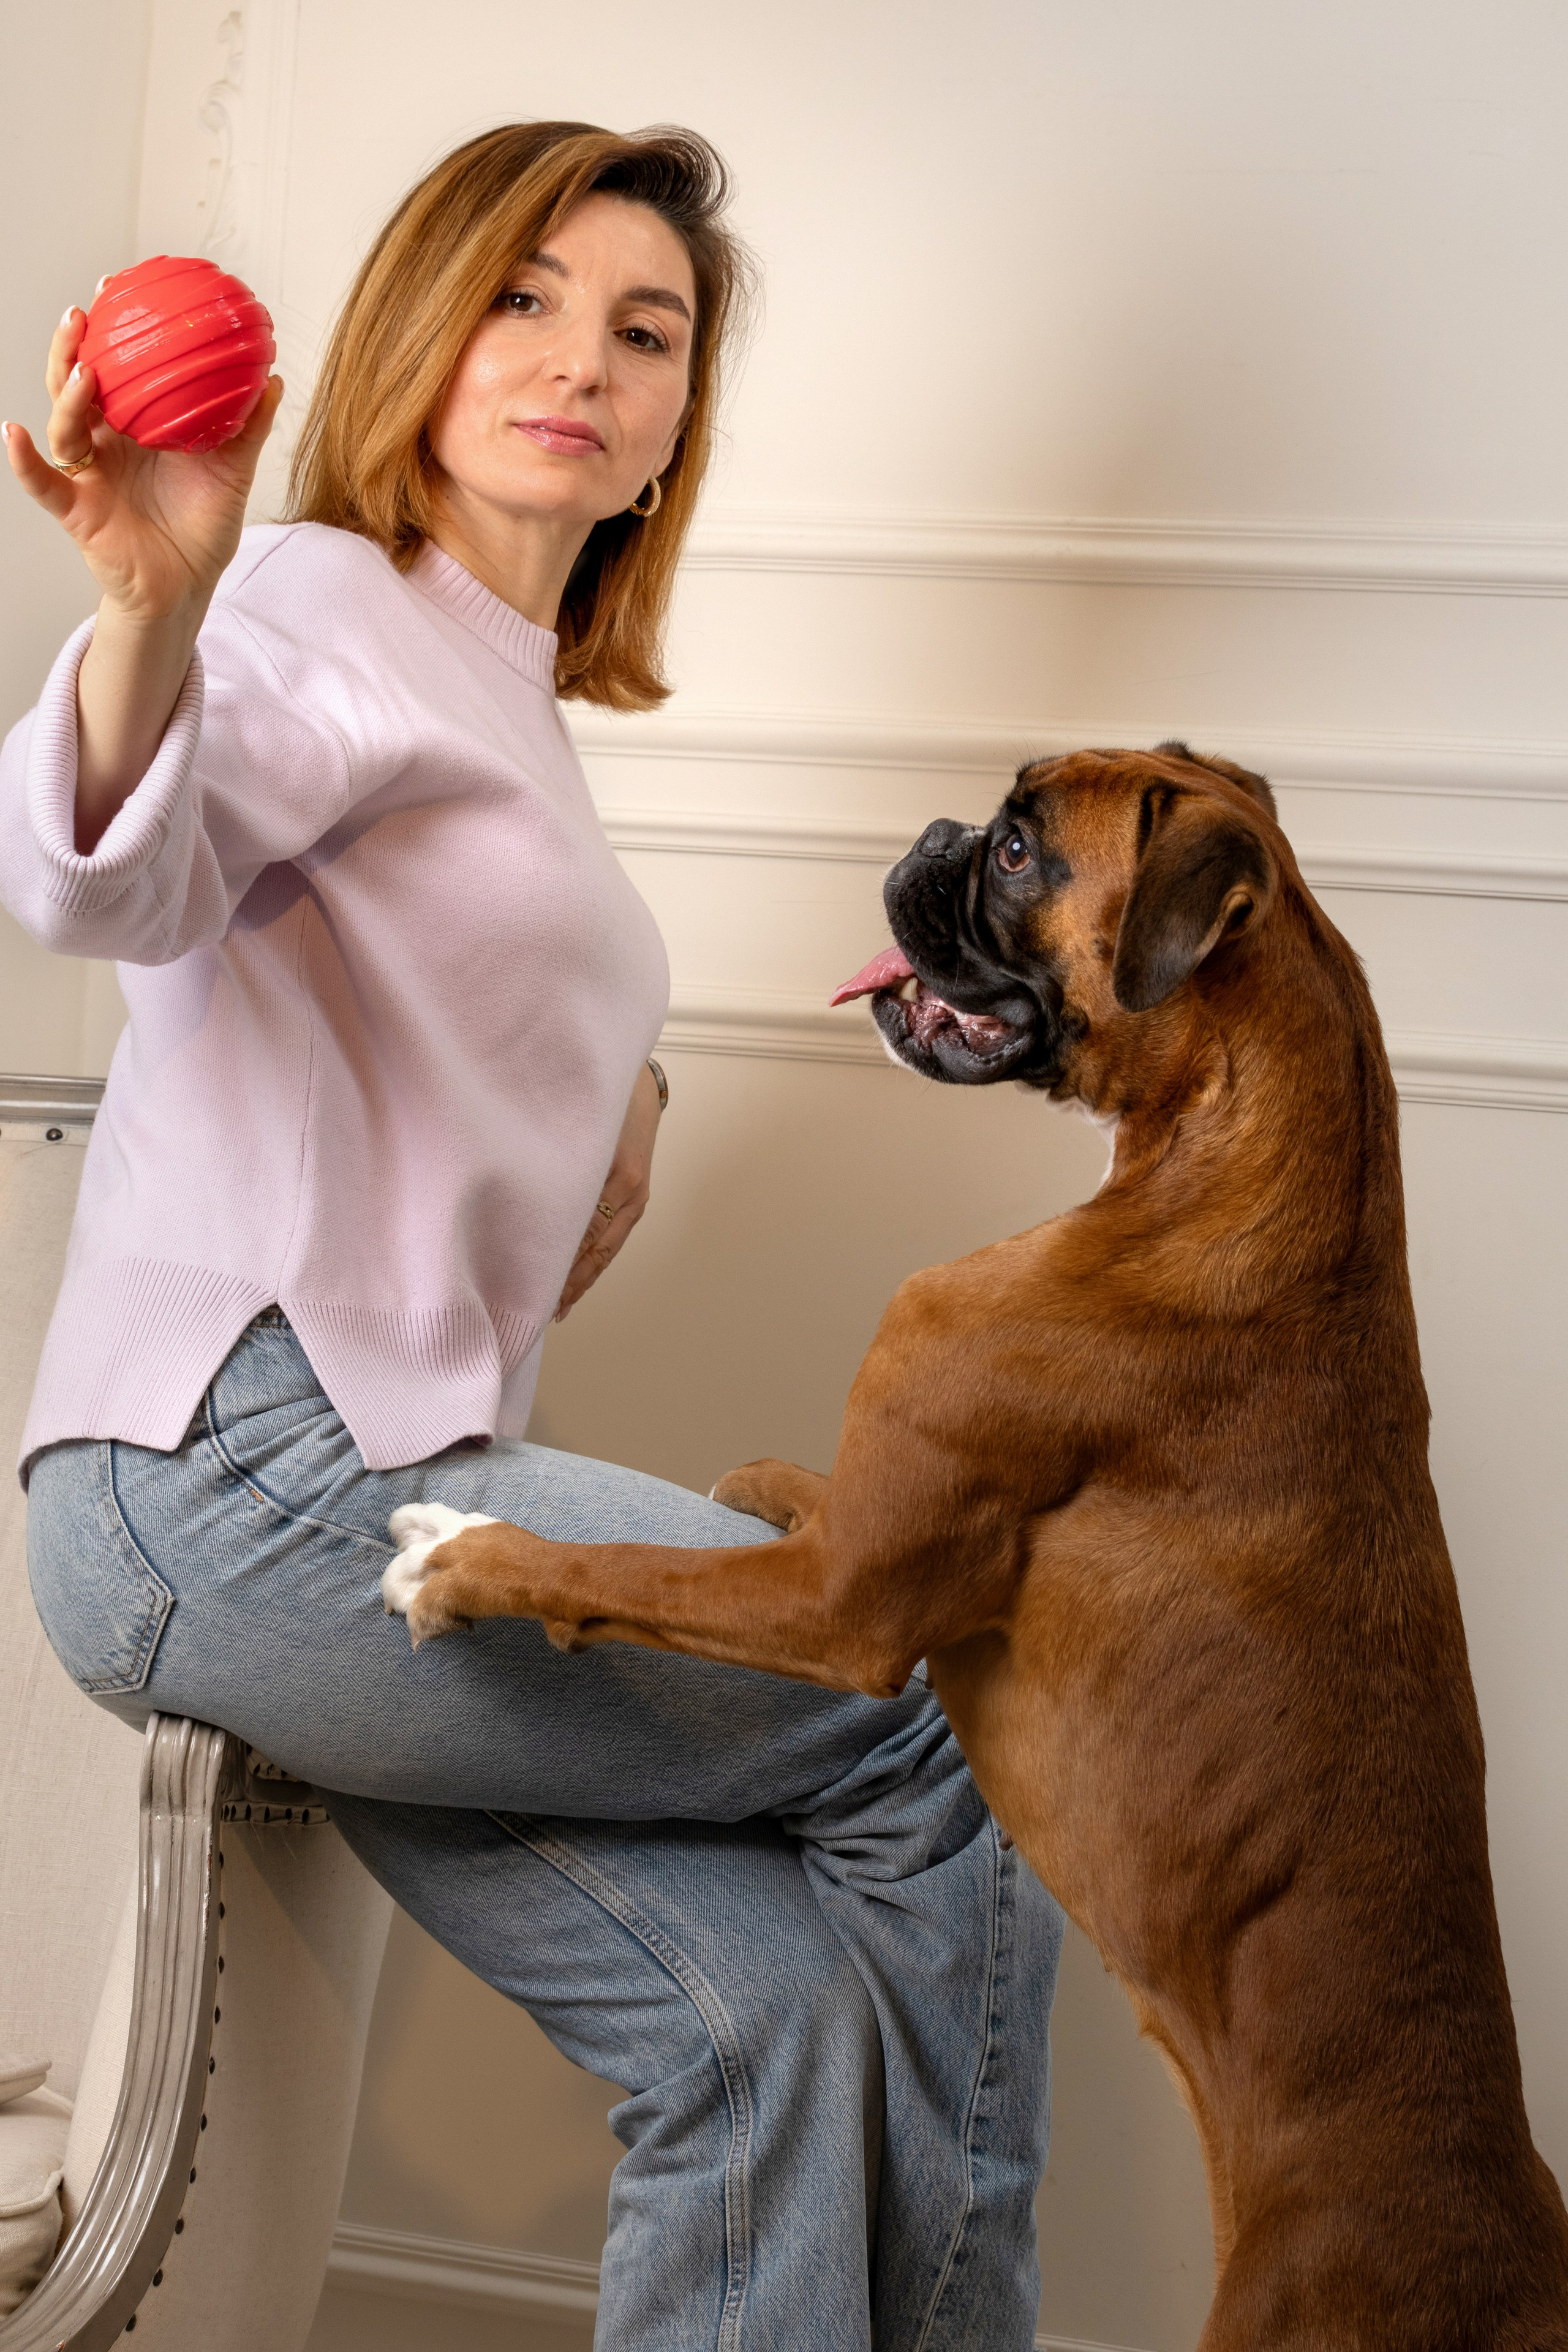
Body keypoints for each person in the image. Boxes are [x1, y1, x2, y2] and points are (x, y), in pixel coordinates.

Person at [1, 122, 1063, 2350]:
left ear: (677, 420)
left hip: (345, 1512)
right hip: (263, 1473)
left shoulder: (498, 689)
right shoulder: (309, 607)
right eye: (524, 297)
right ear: (424, 325)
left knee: (748, 2027)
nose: (579, 357)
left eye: (644, 327)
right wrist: (154, 602)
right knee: (925, 1702)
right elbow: (111, 883)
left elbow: (447, 955)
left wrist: (628, 1081)